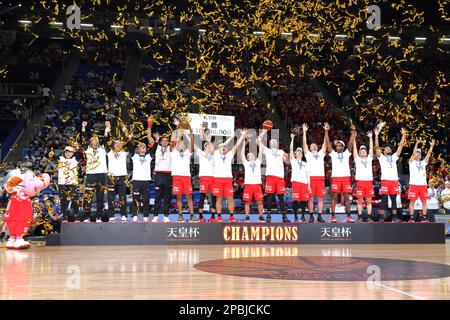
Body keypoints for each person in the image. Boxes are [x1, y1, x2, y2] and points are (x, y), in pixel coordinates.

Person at [212, 129, 247, 223]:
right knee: (218, 198)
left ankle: (231, 216)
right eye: (221, 147)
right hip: (218, 179)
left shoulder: (229, 155)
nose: (223, 148)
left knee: (230, 198)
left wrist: (242, 136)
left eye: (225, 147)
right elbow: (219, 147)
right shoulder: (215, 154)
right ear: (218, 149)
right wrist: (229, 138)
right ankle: (219, 216)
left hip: (227, 180)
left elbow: (236, 146)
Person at [374, 124, 407, 222]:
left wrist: (404, 136)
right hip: (385, 181)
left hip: (394, 181)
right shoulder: (382, 158)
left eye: (389, 148)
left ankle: (394, 218)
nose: (387, 149)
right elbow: (376, 148)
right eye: (386, 149)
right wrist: (376, 135)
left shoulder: (394, 157)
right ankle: (380, 218)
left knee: (394, 200)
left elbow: (400, 146)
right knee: (384, 200)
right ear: (383, 151)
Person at [258, 128, 290, 223]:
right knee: (270, 196)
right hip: (271, 176)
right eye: (272, 142)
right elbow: (258, 141)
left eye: (275, 141)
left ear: (277, 144)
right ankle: (268, 216)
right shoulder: (267, 151)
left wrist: (287, 157)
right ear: (270, 144)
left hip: (280, 177)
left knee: (281, 197)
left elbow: (287, 162)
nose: (273, 142)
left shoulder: (281, 152)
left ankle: (284, 216)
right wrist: (263, 132)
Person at [81, 120, 110, 222]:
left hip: (101, 175)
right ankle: (86, 215)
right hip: (90, 175)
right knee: (88, 195)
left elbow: (107, 140)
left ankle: (99, 215)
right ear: (90, 142)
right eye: (93, 140)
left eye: (96, 140)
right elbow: (83, 139)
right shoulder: (87, 149)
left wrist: (107, 130)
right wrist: (83, 127)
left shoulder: (103, 148)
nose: (95, 141)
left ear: (98, 141)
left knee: (100, 196)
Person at [327, 124, 356, 222]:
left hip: (345, 178)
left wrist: (353, 132)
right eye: (337, 145)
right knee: (334, 197)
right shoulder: (333, 154)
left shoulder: (347, 153)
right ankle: (333, 216)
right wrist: (326, 132)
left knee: (347, 197)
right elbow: (328, 144)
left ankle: (349, 216)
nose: (337, 147)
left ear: (343, 147)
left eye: (339, 145)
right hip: (336, 178)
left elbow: (351, 143)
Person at [302, 123, 329, 223]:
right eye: (311, 145)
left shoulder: (321, 154)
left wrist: (326, 131)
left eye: (314, 144)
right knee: (310, 199)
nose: (313, 145)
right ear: (309, 148)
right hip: (311, 178)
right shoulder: (308, 154)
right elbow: (304, 144)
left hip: (320, 179)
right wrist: (304, 132)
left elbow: (325, 144)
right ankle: (311, 216)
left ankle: (319, 216)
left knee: (320, 199)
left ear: (317, 147)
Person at [171, 126, 197, 222]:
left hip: (186, 177)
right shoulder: (173, 152)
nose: (180, 145)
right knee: (178, 197)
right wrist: (178, 128)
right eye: (178, 144)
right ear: (176, 145)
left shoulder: (187, 153)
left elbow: (192, 143)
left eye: (181, 144)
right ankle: (180, 215)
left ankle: (192, 215)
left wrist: (190, 133)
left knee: (189, 196)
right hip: (176, 177)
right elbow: (173, 140)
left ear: (184, 146)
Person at [51, 145, 83, 222]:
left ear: (73, 153)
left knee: (75, 199)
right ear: (64, 152)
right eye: (66, 152)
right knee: (63, 200)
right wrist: (51, 154)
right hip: (62, 183)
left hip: (73, 182)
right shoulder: (60, 159)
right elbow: (53, 156)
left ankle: (76, 216)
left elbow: (80, 155)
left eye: (70, 152)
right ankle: (64, 217)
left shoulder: (76, 159)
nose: (68, 153)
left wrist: (77, 148)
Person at [408, 139, 435, 222]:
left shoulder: (423, 163)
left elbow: (429, 154)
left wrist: (432, 146)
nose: (417, 155)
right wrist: (416, 144)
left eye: (419, 154)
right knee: (412, 202)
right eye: (416, 154)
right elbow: (413, 153)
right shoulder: (411, 162)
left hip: (423, 185)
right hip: (414, 185)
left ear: (420, 156)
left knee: (424, 202)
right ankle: (411, 218)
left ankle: (424, 217)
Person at [240, 133, 264, 222]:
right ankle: (247, 217)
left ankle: (261, 216)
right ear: (248, 157)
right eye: (250, 154)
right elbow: (241, 153)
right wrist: (244, 144)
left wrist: (259, 141)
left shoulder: (258, 162)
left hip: (257, 185)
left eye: (253, 154)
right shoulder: (246, 163)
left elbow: (261, 151)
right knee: (247, 202)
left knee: (260, 202)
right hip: (248, 185)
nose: (252, 155)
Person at [194, 129, 216, 223]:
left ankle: (213, 217)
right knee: (202, 197)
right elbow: (194, 145)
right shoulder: (201, 154)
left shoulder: (214, 155)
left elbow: (213, 149)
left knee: (213, 197)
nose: (208, 147)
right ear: (204, 147)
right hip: (204, 178)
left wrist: (209, 141)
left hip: (213, 178)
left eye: (209, 146)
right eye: (206, 146)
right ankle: (200, 216)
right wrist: (200, 134)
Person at [353, 131, 374, 222]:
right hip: (360, 182)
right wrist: (353, 138)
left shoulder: (369, 159)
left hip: (368, 182)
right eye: (361, 151)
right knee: (360, 201)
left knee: (369, 201)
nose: (363, 152)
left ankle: (369, 217)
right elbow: (354, 148)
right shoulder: (357, 159)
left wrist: (370, 138)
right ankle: (360, 217)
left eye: (364, 150)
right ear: (359, 153)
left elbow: (371, 149)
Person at [289, 132, 311, 222]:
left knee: (304, 200)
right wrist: (292, 139)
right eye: (298, 152)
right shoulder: (293, 161)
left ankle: (302, 216)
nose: (299, 153)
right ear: (295, 154)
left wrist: (308, 185)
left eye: (300, 152)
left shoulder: (306, 164)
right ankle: (295, 216)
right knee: (295, 200)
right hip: (296, 182)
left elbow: (308, 175)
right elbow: (290, 150)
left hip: (304, 183)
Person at [151, 132, 172, 223]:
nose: (165, 142)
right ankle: (155, 215)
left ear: (168, 142)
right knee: (158, 196)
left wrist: (178, 127)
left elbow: (176, 140)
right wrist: (156, 139)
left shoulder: (171, 149)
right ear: (160, 142)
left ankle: (166, 215)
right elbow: (152, 148)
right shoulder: (157, 148)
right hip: (159, 175)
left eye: (166, 141)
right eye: (163, 141)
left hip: (168, 175)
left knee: (167, 196)